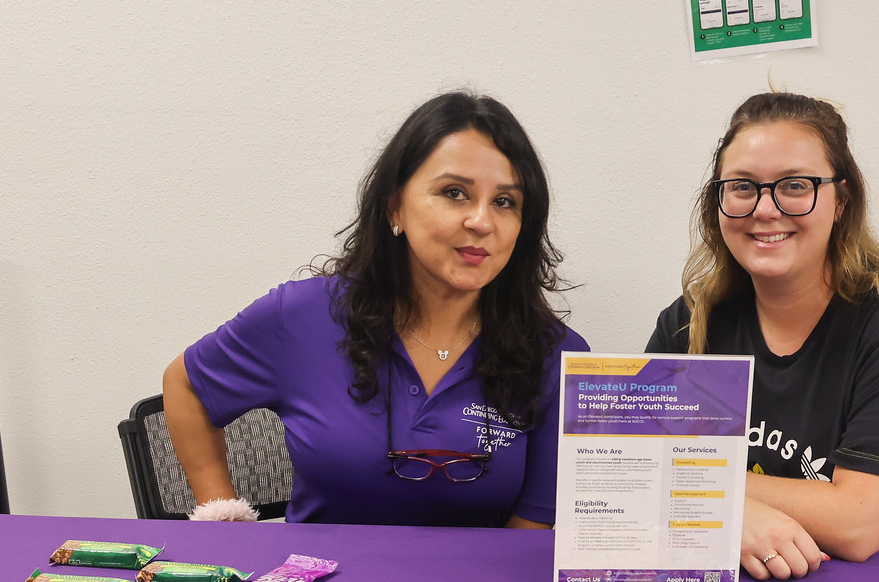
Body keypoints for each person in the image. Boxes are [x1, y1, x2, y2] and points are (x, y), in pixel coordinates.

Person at [164, 93, 586, 528]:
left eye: (505, 202)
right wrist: (223, 518)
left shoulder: (558, 358)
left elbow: (527, 534)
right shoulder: (304, 315)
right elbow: (186, 385)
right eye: (455, 193)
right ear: (394, 207)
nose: (482, 221)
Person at [646, 92, 879, 580]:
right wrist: (725, 511)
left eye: (795, 185)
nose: (765, 209)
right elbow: (630, 472)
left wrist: (715, 502)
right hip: (755, 570)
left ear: (841, 201)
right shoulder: (690, 321)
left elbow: (858, 523)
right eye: (742, 186)